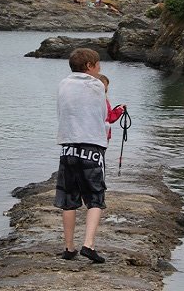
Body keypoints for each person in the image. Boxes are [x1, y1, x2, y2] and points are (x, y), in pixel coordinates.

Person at [55, 48, 108, 263]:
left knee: (69, 198)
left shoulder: (63, 84)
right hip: (91, 146)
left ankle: (69, 248)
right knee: (95, 198)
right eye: (97, 65)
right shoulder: (96, 85)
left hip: (67, 146)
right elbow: (102, 114)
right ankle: (89, 244)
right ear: (89, 66)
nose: (99, 69)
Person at [97, 74, 125, 143]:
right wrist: (120, 109)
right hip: (103, 133)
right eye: (106, 86)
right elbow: (110, 118)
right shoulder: (104, 100)